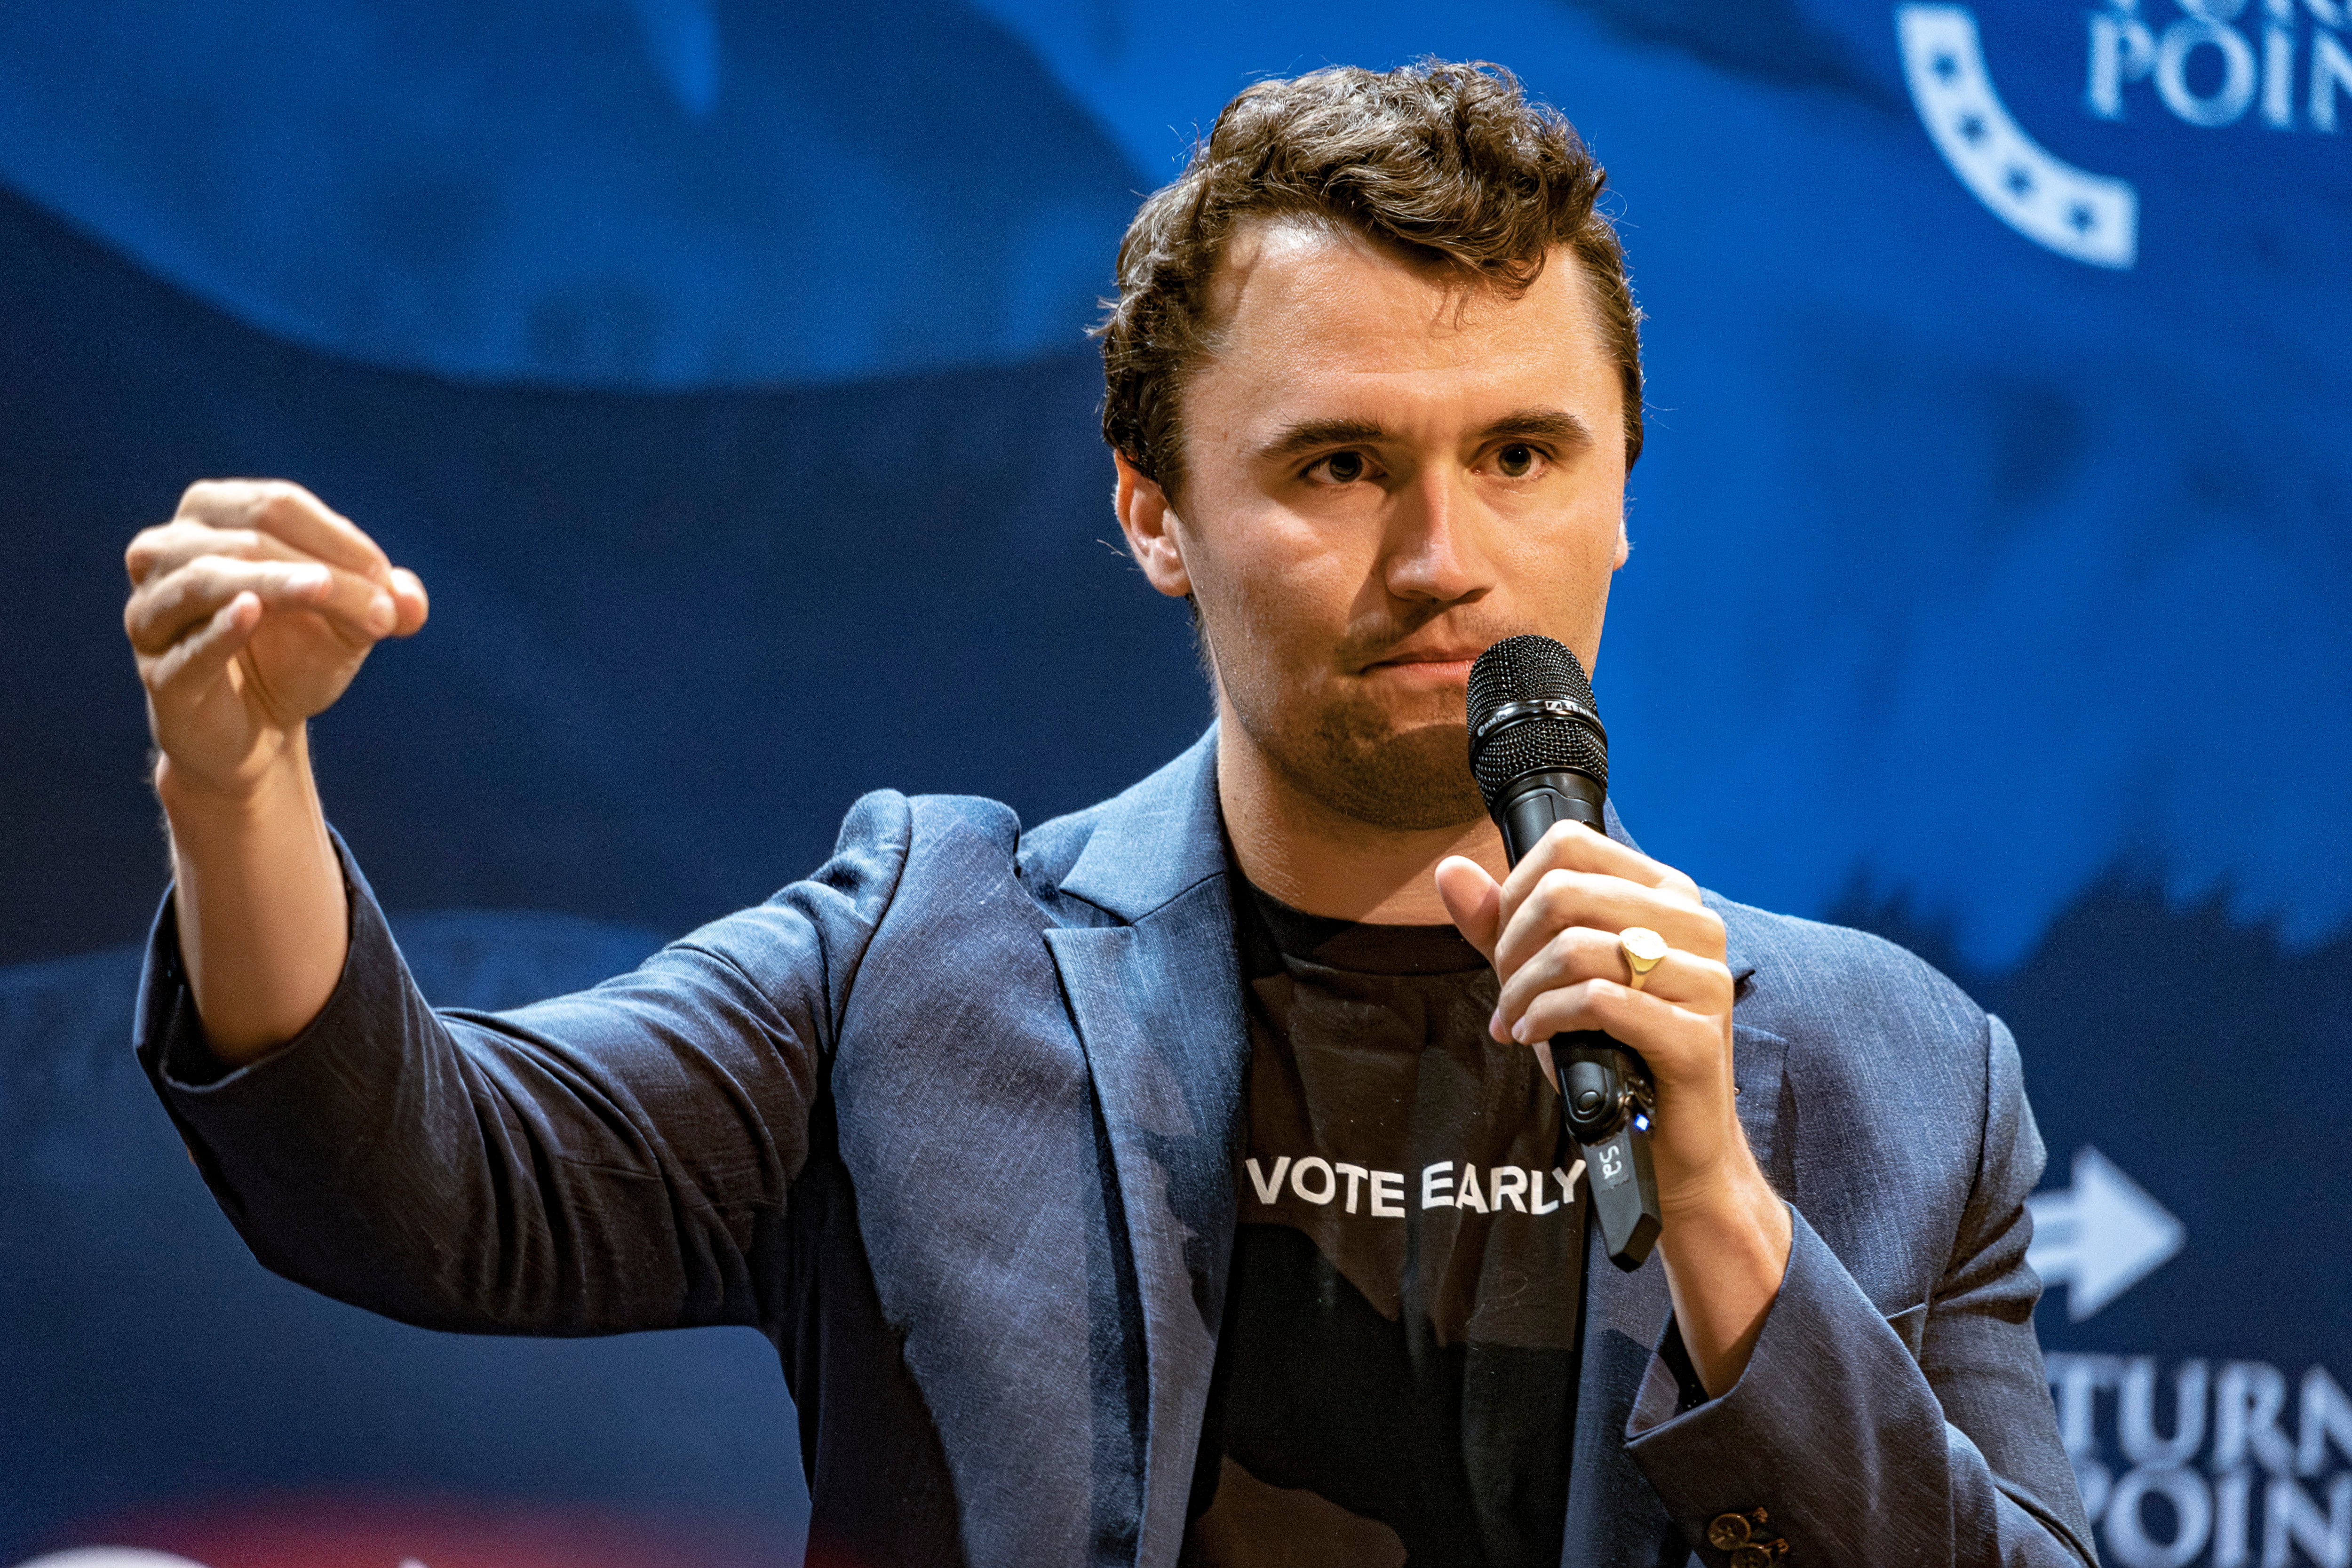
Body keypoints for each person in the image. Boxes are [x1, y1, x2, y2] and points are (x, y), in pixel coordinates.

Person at [119, 60, 2093, 1568]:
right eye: (1337, 465)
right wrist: (236, 779)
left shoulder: (1889, 1074)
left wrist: (1725, 1224)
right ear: (1156, 513)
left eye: (1520, 455)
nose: (1444, 558)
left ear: (1624, 494)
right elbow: (427, 1185)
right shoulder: (918, 959)